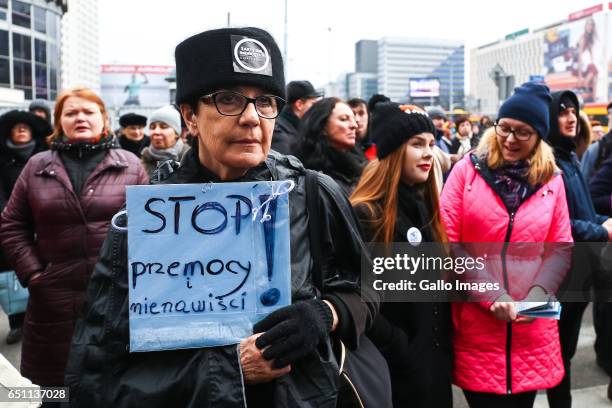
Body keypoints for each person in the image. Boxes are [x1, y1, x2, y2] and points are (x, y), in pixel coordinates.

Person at [65, 27, 379, 407]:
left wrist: (325, 313)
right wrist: (230, 370)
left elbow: (367, 286)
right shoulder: (145, 222)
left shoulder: (311, 193)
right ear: (190, 117)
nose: (251, 118)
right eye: (228, 100)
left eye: (265, 102)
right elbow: (100, 374)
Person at [0, 87, 149, 394]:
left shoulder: (131, 165)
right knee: (53, 391)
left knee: (113, 389)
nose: (80, 117)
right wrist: (35, 275)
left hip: (116, 301)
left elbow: (148, 230)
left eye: (88, 111)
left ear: (103, 119)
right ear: (59, 122)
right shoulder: (37, 165)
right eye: (71, 113)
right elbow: (12, 224)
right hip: (51, 302)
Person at [441, 82, 573, 408]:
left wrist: (539, 293)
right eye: (505, 128)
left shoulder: (552, 180)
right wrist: (492, 296)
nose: (511, 139)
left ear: (539, 136)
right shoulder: (466, 172)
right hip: (477, 327)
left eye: (523, 132)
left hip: (531, 329)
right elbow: (449, 244)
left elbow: (560, 247)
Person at [350, 102, 453, 407]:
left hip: (432, 366)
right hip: (393, 370)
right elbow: (359, 297)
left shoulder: (425, 206)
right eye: (417, 144)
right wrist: (399, 345)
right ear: (394, 151)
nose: (428, 154)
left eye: (431, 145)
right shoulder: (367, 214)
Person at [545, 90, 612, 408]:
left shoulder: (569, 157)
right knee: (556, 355)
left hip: (580, 270)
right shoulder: (548, 162)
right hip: (561, 275)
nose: (571, 117)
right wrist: (600, 228)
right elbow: (559, 224)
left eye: (574, 111)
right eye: (562, 111)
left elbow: (584, 210)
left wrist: (603, 221)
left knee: (565, 354)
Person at [0, 110, 51, 344]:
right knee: (11, 274)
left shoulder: (45, 155)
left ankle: (40, 317)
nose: (21, 129)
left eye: (25, 126)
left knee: (44, 271)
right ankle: (17, 322)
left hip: (44, 221)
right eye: (16, 126)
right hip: (11, 221)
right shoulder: (2, 158)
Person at [293, 97, 366, 196]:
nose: (354, 125)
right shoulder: (310, 178)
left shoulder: (359, 165)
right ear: (323, 126)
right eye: (344, 119)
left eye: (353, 119)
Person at [271, 80, 321, 155]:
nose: (316, 108)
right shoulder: (279, 133)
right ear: (299, 104)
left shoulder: (291, 127)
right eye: (313, 104)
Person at [140, 105, 189, 177]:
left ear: (176, 133)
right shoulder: (141, 163)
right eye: (152, 127)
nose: (156, 132)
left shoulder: (192, 159)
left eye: (164, 127)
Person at [581, 102, 612, 182]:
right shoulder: (595, 149)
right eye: (610, 112)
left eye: (601, 132)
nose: (600, 134)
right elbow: (585, 182)